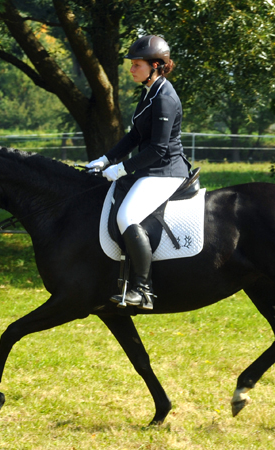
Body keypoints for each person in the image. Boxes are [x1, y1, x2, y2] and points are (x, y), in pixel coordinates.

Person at [86, 35, 191, 310]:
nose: (131, 69)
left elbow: (157, 149)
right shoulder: (149, 93)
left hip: (166, 171)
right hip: (151, 169)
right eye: (131, 64)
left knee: (127, 216)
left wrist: (121, 169)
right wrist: (105, 159)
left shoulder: (165, 98)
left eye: (136, 64)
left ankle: (143, 290)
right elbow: (135, 136)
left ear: (156, 65)